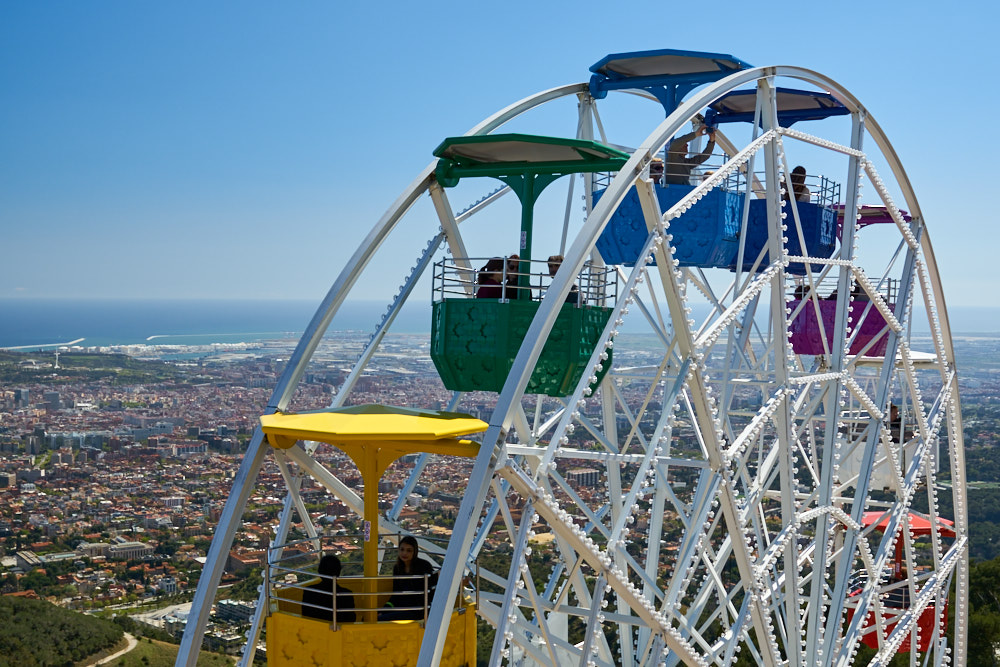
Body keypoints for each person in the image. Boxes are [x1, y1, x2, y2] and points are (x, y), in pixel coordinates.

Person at [380, 535, 437, 621]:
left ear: (415, 552)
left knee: (380, 620)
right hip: (402, 608)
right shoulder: (397, 568)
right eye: (402, 549)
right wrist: (384, 609)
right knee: (369, 617)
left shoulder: (424, 566)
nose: (404, 553)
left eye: (409, 550)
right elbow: (396, 594)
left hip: (417, 611)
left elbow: (434, 588)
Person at [302, 553, 356, 624]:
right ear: (338, 573)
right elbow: (351, 619)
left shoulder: (309, 591)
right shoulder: (346, 594)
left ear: (319, 571)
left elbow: (305, 616)